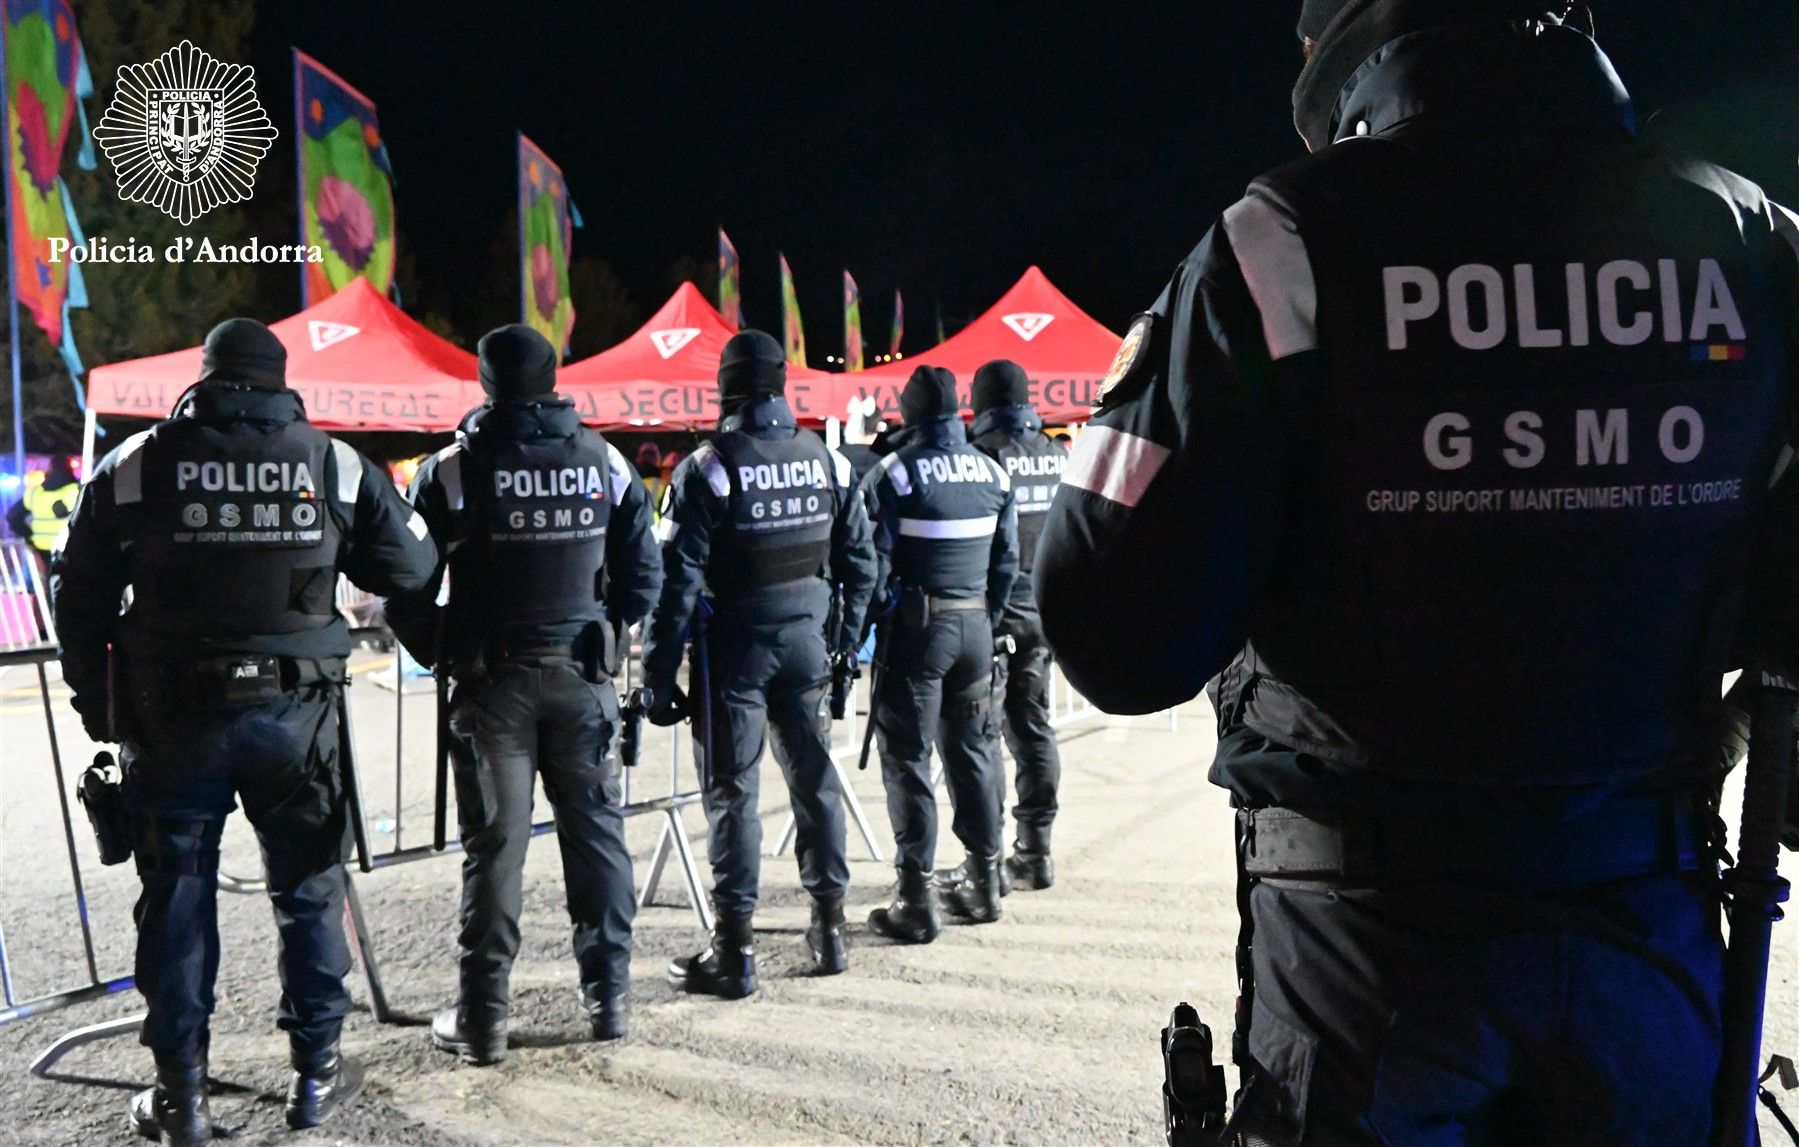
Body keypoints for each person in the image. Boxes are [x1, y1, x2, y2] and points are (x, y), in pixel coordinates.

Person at [1035, 3, 1799, 1143]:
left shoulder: (1283, 240)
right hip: (1653, 928)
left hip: (1367, 949)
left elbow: (1113, 634)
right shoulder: (1750, 240)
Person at [51, 319, 438, 1144]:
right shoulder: (331, 462)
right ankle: (315, 1074)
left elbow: (76, 592)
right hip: (296, 721)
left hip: (173, 720)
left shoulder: (136, 464)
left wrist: (100, 711)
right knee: (307, 894)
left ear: (206, 376)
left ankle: (181, 1096)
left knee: (178, 895)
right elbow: (413, 567)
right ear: (277, 380)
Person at [389, 325, 660, 1065]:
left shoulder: (449, 472)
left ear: (485, 382)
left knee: (496, 849)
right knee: (597, 836)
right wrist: (606, 630)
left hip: (491, 686)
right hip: (582, 680)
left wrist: (444, 648)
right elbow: (644, 573)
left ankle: (483, 1019)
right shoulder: (604, 462)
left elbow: (404, 585)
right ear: (551, 379)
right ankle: (608, 1000)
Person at [642, 329, 877, 997]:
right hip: (807, 640)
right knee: (814, 782)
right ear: (781, 384)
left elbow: (675, 586)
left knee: (732, 794)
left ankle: (734, 952)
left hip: (734, 650)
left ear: (726, 386)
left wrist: (658, 681)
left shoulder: (709, 466)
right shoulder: (826, 460)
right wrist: (843, 647)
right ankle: (829, 931)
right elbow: (861, 562)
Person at [860, 365, 1018, 942]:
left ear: (911, 413)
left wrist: (874, 625)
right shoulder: (992, 471)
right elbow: (1007, 562)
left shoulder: (894, 474)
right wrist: (986, 617)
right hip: (976, 624)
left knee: (908, 760)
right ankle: (985, 881)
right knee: (974, 752)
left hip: (918, 632)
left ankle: (914, 898)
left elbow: (872, 567)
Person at [967, 360, 1067, 891]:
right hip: (1045, 613)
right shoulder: (1056, 455)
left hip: (997, 614)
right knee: (1033, 728)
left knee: (984, 739)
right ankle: (1037, 851)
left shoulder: (983, 458)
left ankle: (986, 866)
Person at [7, 453, 80, 575]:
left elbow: (13, 516)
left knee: (52, 582)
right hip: (70, 546)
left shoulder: (35, 493)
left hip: (43, 547)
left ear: (50, 468)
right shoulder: (77, 490)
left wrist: (28, 536)